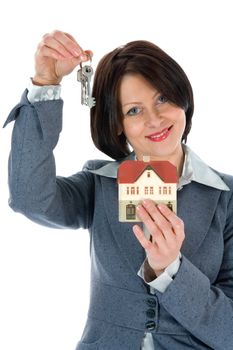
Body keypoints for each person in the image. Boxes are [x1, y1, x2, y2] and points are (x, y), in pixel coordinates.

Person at [4, 30, 233, 350]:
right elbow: (30, 197)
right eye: (134, 110)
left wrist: (171, 271)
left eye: (163, 98)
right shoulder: (98, 184)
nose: (155, 119)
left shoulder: (227, 197)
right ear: (117, 124)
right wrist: (45, 86)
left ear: (183, 99)